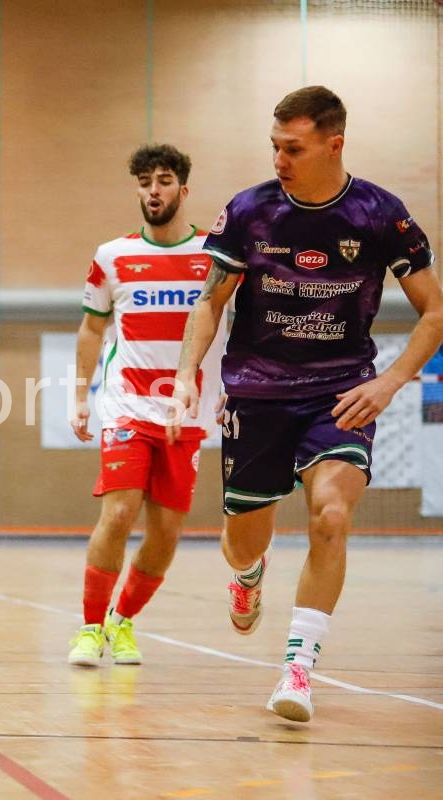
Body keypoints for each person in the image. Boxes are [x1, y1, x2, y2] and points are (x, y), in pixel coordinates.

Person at [169, 86, 441, 722]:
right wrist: (187, 373)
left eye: (292, 148)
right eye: (274, 147)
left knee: (331, 517)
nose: (280, 159)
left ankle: (298, 668)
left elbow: (434, 310)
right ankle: (249, 571)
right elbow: (209, 301)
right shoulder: (248, 211)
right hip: (257, 393)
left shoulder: (379, 213)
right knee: (241, 541)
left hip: (340, 393)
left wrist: (392, 379)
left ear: (333, 143)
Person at [67, 144, 226, 667]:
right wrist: (80, 397)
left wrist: (236, 388)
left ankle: (123, 622)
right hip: (129, 408)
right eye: (143, 182)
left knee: (166, 533)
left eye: (162, 181)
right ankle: (90, 629)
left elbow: (238, 327)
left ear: (184, 188)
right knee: (118, 513)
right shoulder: (112, 256)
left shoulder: (216, 255)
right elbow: (92, 328)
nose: (152, 191)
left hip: (190, 415)